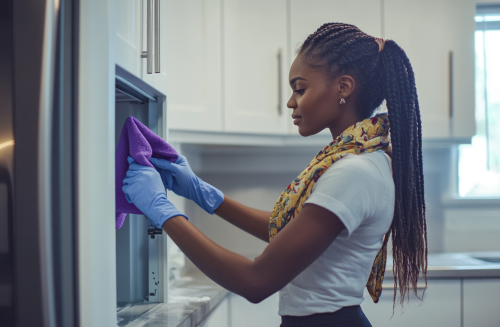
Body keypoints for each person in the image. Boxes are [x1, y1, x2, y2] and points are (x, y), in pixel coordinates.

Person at [122, 22, 427, 327]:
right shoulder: (361, 158)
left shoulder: (355, 172)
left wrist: (161, 210)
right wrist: (205, 195)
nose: (291, 102)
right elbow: (286, 232)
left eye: (300, 89)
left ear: (343, 88)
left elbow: (255, 282)